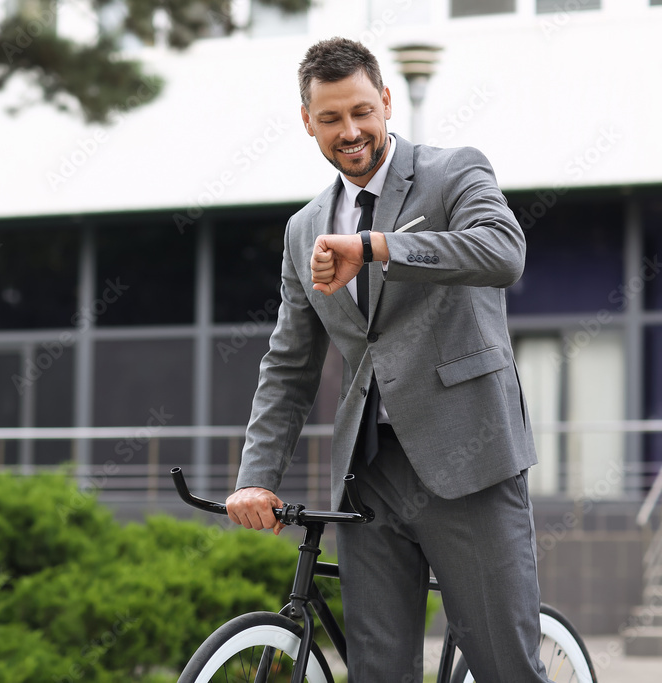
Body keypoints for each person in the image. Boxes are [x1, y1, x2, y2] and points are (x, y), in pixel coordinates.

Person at [225, 37, 549, 682]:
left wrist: (376, 246)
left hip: (469, 459)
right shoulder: (303, 228)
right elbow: (289, 364)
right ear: (307, 121)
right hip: (366, 479)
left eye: (362, 111)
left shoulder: (454, 170)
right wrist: (256, 475)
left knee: (505, 667)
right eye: (331, 118)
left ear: (386, 102)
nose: (350, 131)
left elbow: (501, 254)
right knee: (378, 673)